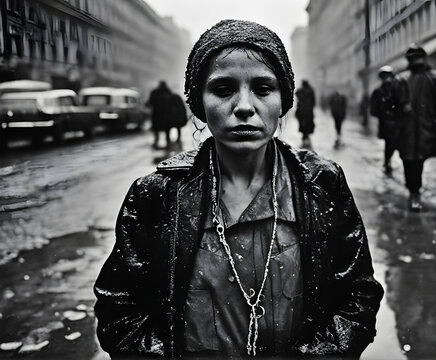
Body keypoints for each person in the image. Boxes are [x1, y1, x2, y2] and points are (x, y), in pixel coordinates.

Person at [94, 19, 383, 359]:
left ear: (283, 101)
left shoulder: (320, 184)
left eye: (262, 89)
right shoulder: (157, 194)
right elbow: (119, 310)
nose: (244, 106)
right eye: (223, 89)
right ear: (199, 102)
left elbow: (357, 295)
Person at [396, 44, 436, 212]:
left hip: (425, 129)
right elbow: (392, 106)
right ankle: (412, 189)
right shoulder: (401, 79)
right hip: (406, 130)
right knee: (408, 160)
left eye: (419, 57)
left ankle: (415, 192)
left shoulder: (434, 78)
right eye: (414, 58)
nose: (417, 60)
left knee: (417, 161)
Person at [370, 65, 403, 175]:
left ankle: (389, 161)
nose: (387, 79)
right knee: (389, 143)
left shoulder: (398, 90)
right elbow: (373, 110)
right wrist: (383, 114)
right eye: (385, 77)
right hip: (385, 123)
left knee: (397, 143)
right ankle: (387, 161)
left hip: (398, 122)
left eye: (389, 76)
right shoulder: (378, 92)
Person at [147, 80, 174, 148]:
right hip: (166, 113)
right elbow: (172, 102)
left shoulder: (155, 92)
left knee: (156, 127)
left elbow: (150, 102)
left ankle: (157, 139)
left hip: (157, 113)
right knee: (167, 127)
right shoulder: (168, 92)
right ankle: (167, 139)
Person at [295, 80, 316, 148]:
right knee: (308, 123)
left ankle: (305, 137)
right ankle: (306, 137)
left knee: (303, 123)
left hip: (302, 110)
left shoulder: (301, 91)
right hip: (308, 111)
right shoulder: (310, 91)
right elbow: (313, 101)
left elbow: (297, 94)